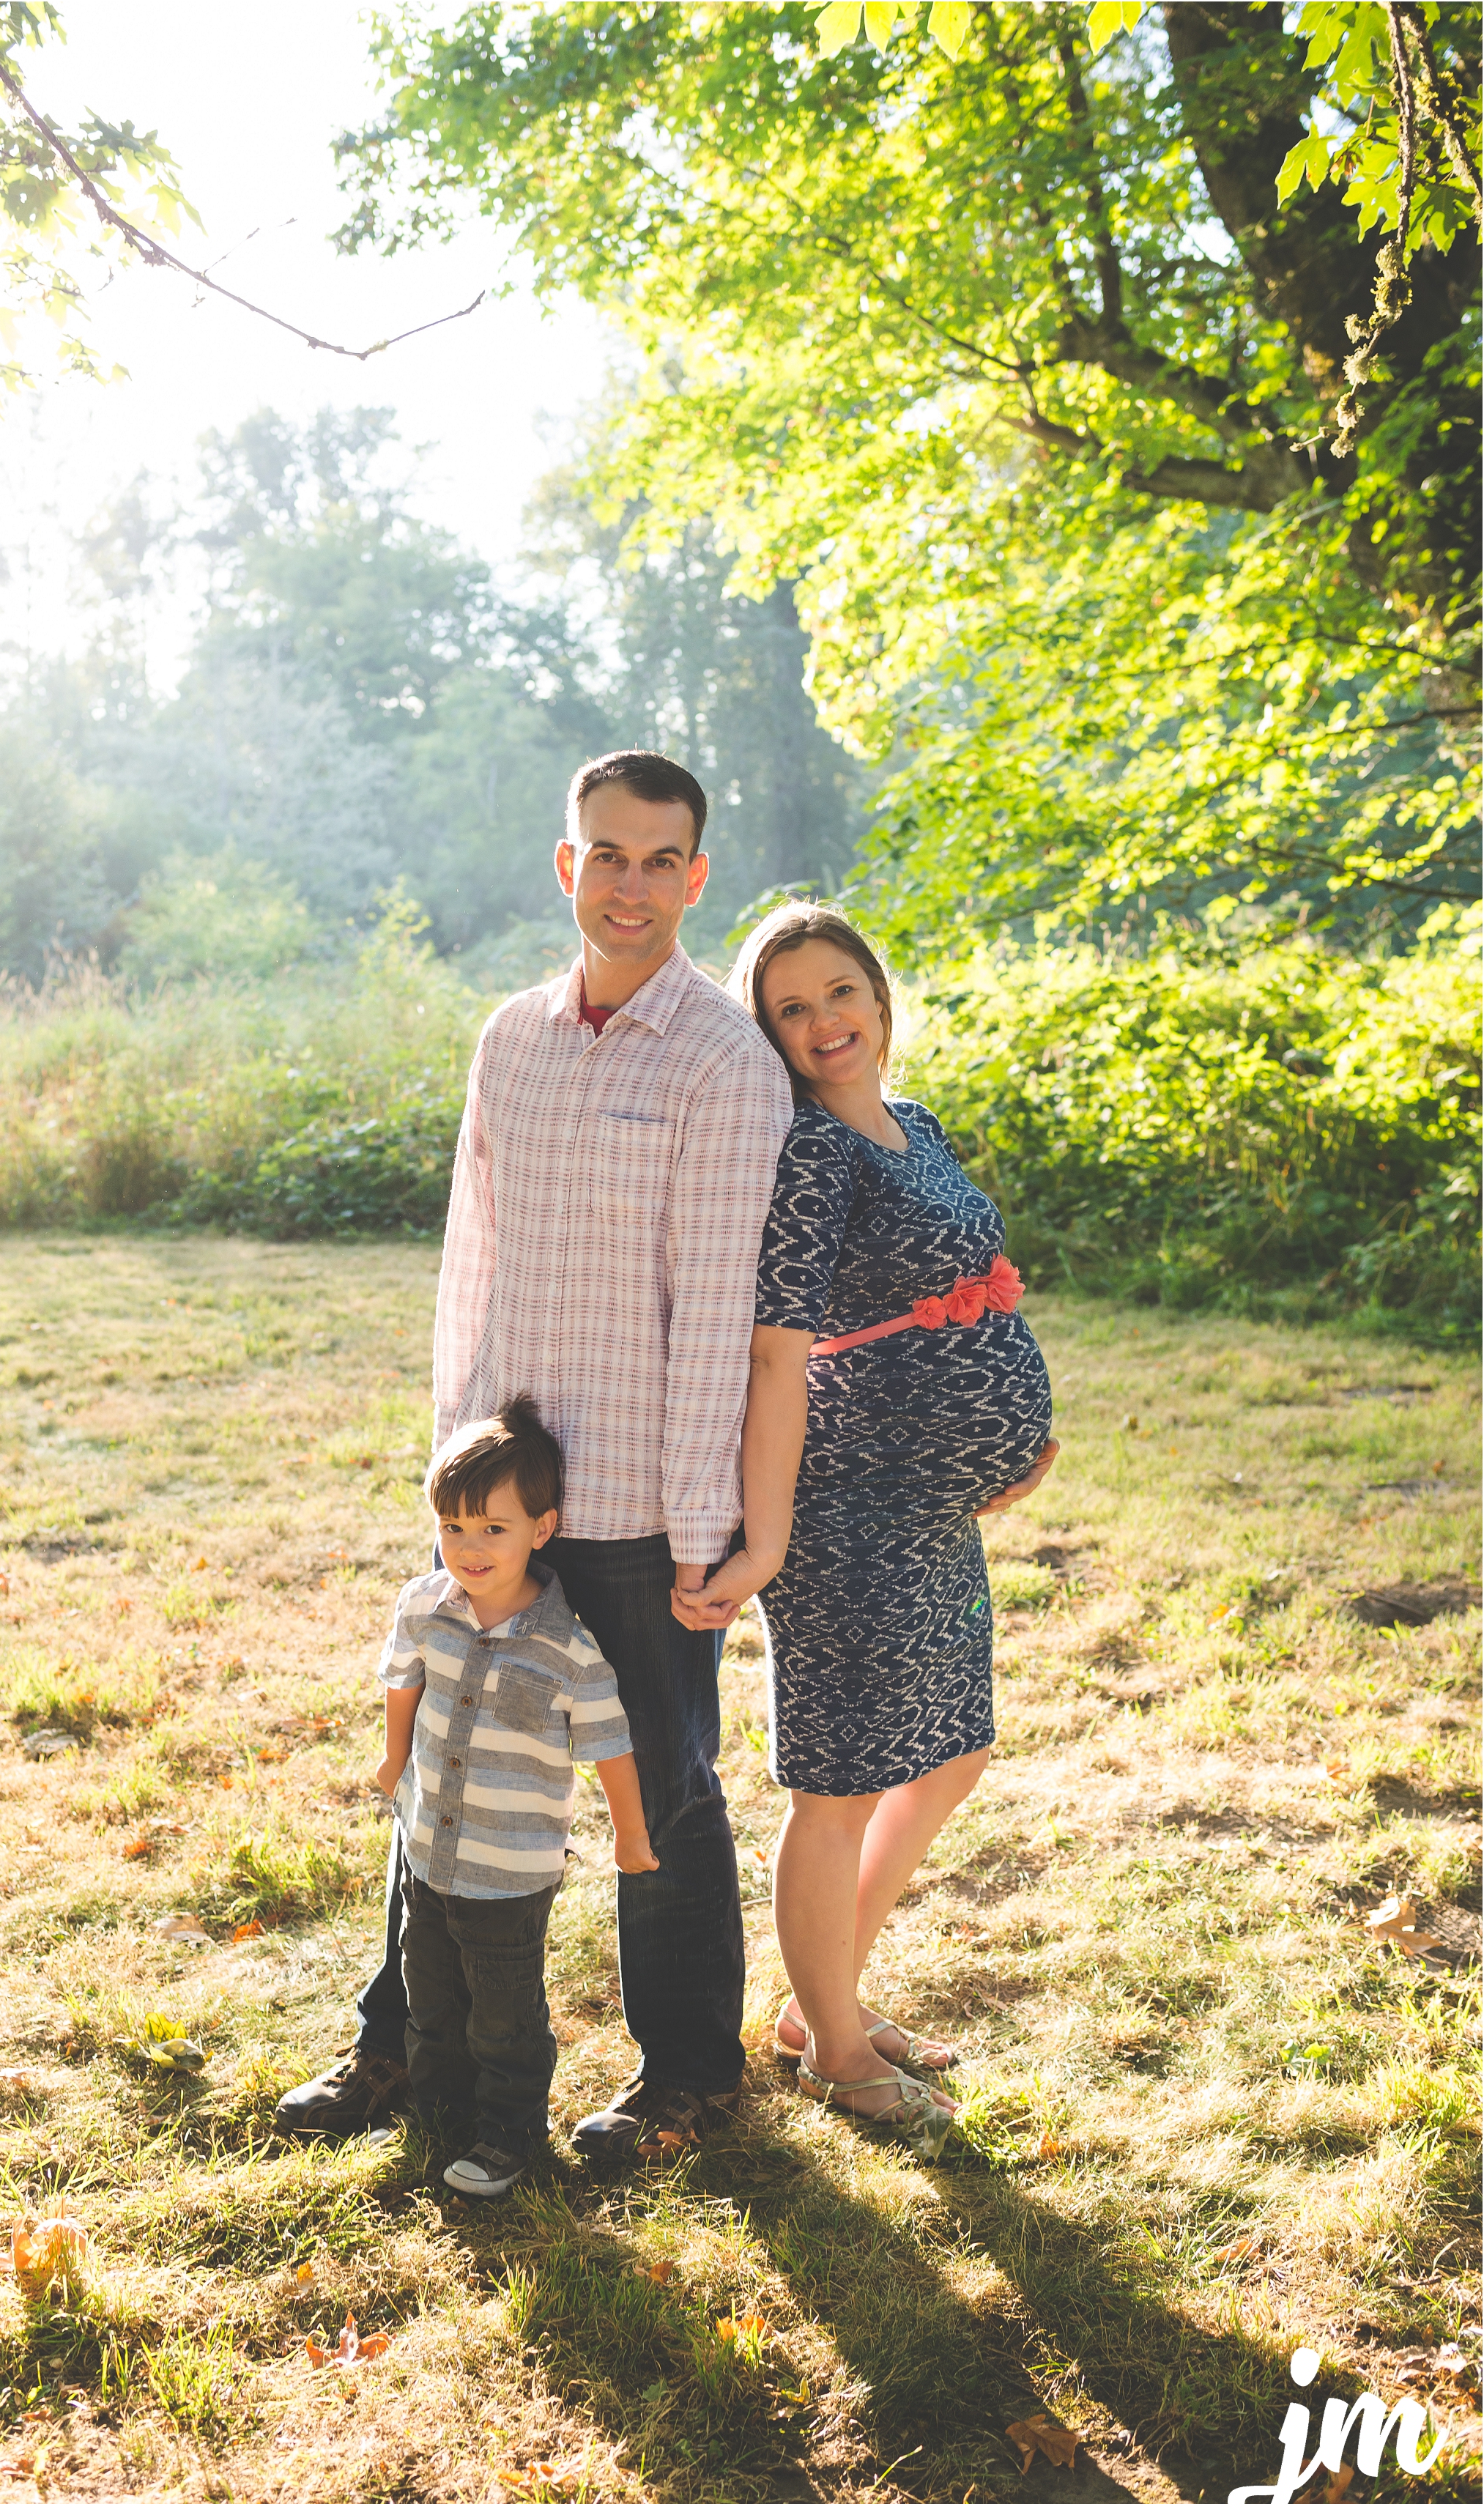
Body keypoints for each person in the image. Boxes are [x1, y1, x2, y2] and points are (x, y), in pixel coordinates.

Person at [277, 749, 793, 2160]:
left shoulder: (723, 1064)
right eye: (603, 855)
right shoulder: (508, 1036)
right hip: (500, 1498)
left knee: (664, 1793)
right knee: (444, 1766)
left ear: (695, 878)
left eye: (658, 861)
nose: (628, 885)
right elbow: (472, 1259)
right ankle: (398, 2045)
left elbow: (717, 1318)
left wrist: (706, 1523)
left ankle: (686, 2078)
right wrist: (456, 1469)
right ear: (567, 866)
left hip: (633, 1504)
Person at [676, 903, 1058, 2155]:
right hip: (845, 1505)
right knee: (837, 1782)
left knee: (949, 1752)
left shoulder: (916, 1127)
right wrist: (768, 1539)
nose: (822, 1021)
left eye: (837, 991)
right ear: (768, 1036)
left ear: (878, 997)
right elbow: (777, 1356)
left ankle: (817, 2003)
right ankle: (834, 2051)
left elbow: (958, 1297)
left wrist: (1012, 1426)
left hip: (929, 1505)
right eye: (789, 1008)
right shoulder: (807, 1158)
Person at [374, 1399, 655, 2199]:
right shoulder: (424, 1606)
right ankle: (440, 2111)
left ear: (544, 1526)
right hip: (428, 1846)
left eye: (493, 1528)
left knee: (503, 2014)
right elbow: (402, 1682)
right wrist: (394, 1757)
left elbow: (610, 1745)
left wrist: (630, 1838)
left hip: (510, 1869)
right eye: (453, 1525)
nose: (468, 1547)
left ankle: (507, 2135)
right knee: (428, 1993)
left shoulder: (567, 1648)